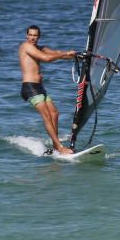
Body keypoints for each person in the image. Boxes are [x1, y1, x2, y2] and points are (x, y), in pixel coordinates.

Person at [19, 25, 77, 155]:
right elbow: (46, 58)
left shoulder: (39, 48)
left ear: (38, 37)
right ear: (26, 35)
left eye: (35, 35)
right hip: (30, 87)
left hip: (39, 87)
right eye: (30, 35)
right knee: (46, 115)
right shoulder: (26, 46)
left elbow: (56, 54)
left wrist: (76, 56)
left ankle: (55, 146)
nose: (32, 38)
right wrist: (66, 53)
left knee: (54, 113)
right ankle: (60, 147)